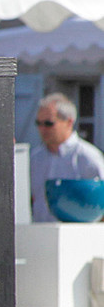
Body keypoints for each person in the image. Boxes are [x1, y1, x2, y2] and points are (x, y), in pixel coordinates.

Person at [30, 92, 104, 222]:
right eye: (38, 123)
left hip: (76, 237)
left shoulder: (87, 156)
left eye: (48, 123)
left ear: (69, 122)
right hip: (40, 236)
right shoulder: (36, 157)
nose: (42, 129)